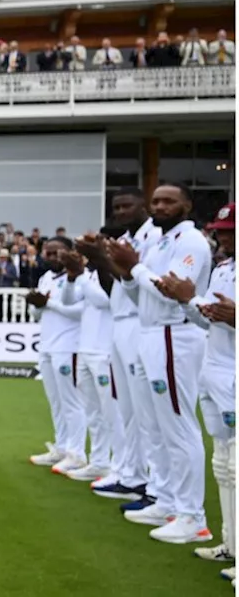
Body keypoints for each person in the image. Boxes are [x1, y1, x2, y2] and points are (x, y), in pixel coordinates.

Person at [108, 183, 214, 543]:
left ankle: (193, 517)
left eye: (170, 200)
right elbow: (142, 291)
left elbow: (172, 290)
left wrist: (134, 269)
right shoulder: (160, 240)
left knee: (179, 426)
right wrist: (126, 272)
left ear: (187, 204)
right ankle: (167, 498)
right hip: (152, 333)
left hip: (176, 334)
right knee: (157, 424)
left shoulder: (191, 241)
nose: (161, 205)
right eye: (156, 200)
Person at [157, 203, 235, 574]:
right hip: (213, 369)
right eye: (221, 229)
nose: (224, 236)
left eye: (231, 230)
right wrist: (188, 299)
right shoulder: (222, 270)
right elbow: (206, 321)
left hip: (234, 372)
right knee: (222, 464)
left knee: (236, 465)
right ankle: (230, 544)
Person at [78, 190, 163, 504]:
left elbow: (138, 279)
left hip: (142, 321)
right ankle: (131, 474)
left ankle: (155, 485)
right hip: (121, 320)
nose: (122, 211)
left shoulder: (154, 236)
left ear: (143, 207)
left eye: (128, 205)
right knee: (125, 406)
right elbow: (114, 283)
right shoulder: (126, 239)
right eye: (116, 207)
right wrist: (100, 259)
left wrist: (103, 258)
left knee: (145, 411)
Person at [26, 237, 87, 473]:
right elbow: (36, 314)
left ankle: (77, 452)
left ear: (69, 253)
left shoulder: (80, 279)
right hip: (47, 345)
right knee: (56, 402)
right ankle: (61, 447)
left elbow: (79, 313)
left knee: (72, 402)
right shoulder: (46, 278)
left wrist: (47, 304)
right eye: (47, 253)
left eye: (56, 253)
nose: (50, 257)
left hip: (69, 345)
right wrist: (38, 304)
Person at [62, 248, 123, 483]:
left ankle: (119, 468)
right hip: (85, 349)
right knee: (93, 412)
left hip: (104, 351)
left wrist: (79, 276)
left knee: (112, 413)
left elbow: (105, 301)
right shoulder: (86, 276)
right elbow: (68, 299)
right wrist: (72, 277)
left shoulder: (110, 275)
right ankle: (99, 462)